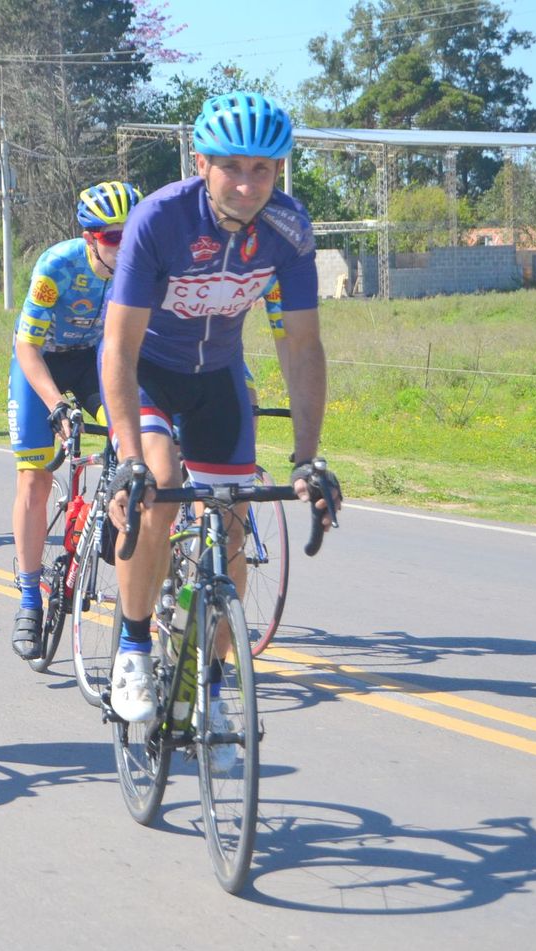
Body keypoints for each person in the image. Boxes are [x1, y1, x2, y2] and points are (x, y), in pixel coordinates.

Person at [100, 91, 340, 726]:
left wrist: (309, 458)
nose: (246, 183)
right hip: (150, 371)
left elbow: (302, 345)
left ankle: (203, 677)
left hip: (219, 376)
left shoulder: (289, 228)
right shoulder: (160, 220)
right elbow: (118, 350)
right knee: (158, 487)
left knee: (229, 519)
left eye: (262, 169)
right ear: (201, 162)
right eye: (232, 166)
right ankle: (132, 646)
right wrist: (127, 458)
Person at [8, 180, 141, 661]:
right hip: (42, 361)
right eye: (112, 237)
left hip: (95, 362)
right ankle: (28, 595)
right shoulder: (56, 266)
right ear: (89, 238)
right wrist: (54, 403)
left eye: (132, 233)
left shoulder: (142, 264)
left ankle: (110, 509)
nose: (124, 245)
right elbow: (27, 345)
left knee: (131, 437)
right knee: (35, 478)